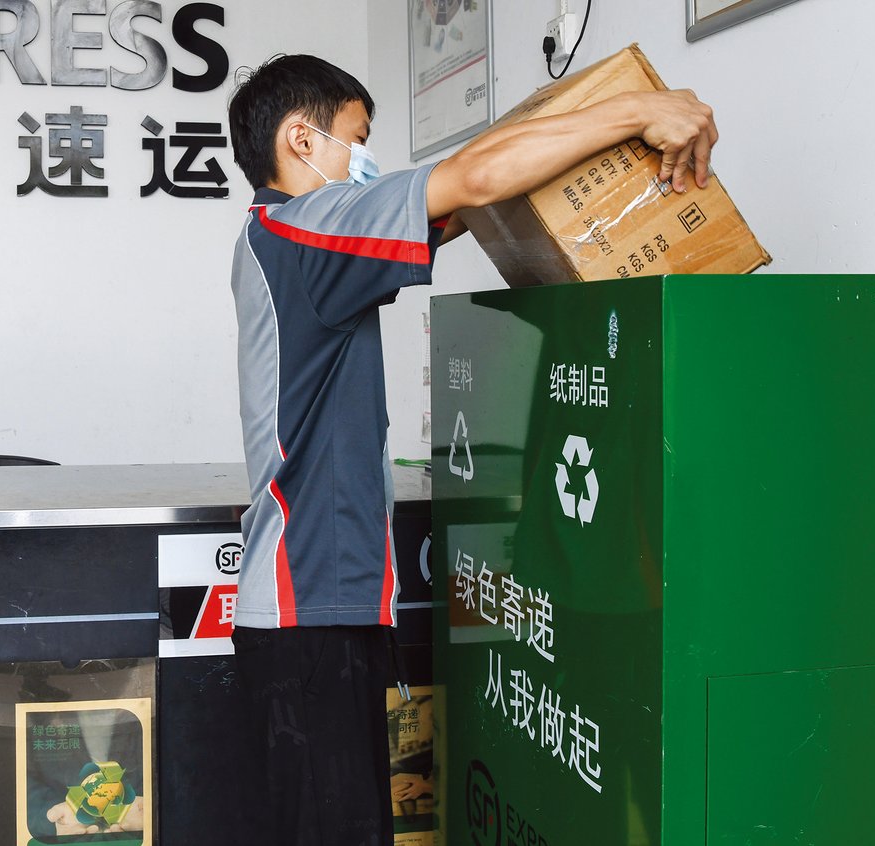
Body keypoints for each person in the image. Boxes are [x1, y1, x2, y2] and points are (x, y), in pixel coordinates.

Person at [226, 53, 718, 846]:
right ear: (302, 139)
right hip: (306, 610)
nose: (365, 158)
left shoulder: (292, 241)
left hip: (321, 607)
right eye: (358, 138)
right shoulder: (306, 226)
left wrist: (548, 139)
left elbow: (450, 213)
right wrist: (636, 114)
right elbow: (473, 180)